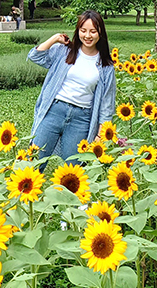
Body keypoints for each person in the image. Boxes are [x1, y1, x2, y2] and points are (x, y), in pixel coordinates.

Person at [27, 10, 116, 169]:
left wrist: (100, 135)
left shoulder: (106, 66)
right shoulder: (64, 52)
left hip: (81, 119)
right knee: (33, 162)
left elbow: (107, 104)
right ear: (78, 31)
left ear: (100, 33)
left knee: (74, 171)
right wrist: (55, 38)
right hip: (53, 111)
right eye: (83, 30)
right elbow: (36, 56)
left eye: (93, 31)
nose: (87, 35)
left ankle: (67, 195)